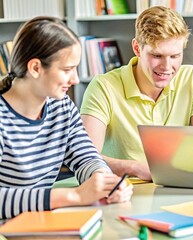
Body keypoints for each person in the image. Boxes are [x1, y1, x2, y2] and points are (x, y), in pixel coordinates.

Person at [0, 16, 132, 219]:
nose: (76, 79)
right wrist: (73, 196)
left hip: (41, 223)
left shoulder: (60, 107)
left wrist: (105, 180)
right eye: (67, 69)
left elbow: (86, 157)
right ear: (35, 68)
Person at [80, 6, 193, 181]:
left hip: (181, 187)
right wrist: (135, 167)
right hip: (125, 193)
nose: (167, 67)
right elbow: (84, 158)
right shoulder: (103, 86)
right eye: (157, 56)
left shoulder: (192, 79)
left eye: (175, 56)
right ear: (137, 48)